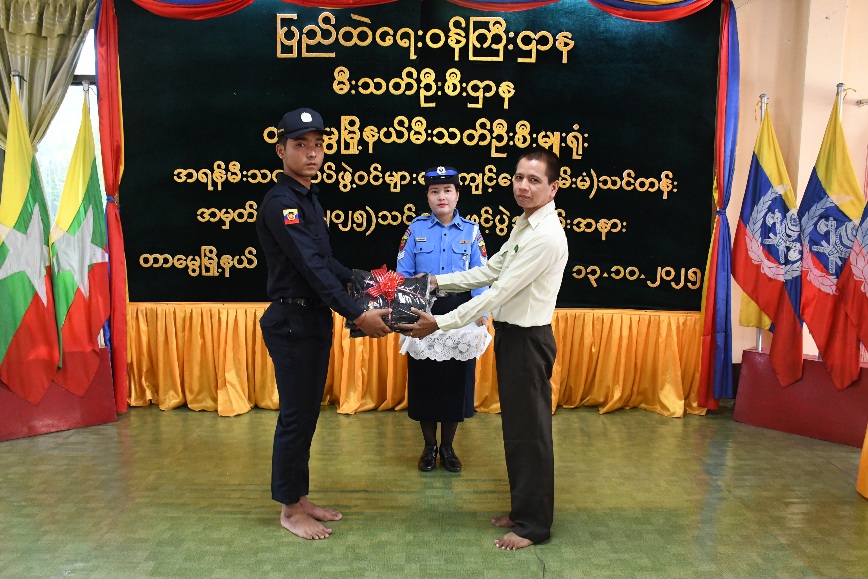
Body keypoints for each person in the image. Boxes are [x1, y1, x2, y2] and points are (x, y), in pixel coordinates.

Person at [398, 148, 568, 551]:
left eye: (534, 180)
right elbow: (490, 270)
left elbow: (497, 291)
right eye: (519, 177)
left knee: (531, 434)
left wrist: (441, 322)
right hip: (513, 337)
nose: (523, 186)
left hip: (529, 341)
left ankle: (534, 526)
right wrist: (436, 282)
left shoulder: (545, 236)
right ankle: (522, 509)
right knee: (517, 431)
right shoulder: (525, 225)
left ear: (553, 187)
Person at [256, 107, 392, 541]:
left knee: (307, 413)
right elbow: (312, 268)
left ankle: (299, 497)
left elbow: (326, 261)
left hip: (311, 318)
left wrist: (366, 282)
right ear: (281, 150)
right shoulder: (282, 204)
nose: (312, 153)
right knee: (296, 417)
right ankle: (289, 509)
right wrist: (358, 313)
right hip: (292, 320)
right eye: (301, 145)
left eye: (318, 145)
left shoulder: (307, 198)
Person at [396, 166, 489, 473]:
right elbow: (403, 274)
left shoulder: (471, 231)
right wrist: (405, 311)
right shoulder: (415, 230)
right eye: (435, 191)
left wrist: (482, 312)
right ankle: (428, 447)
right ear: (428, 196)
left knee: (455, 382)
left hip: (460, 312)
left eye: (447, 191)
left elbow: (482, 275)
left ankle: (448, 447)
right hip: (424, 309)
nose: (441, 197)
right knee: (425, 381)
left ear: (457, 195)